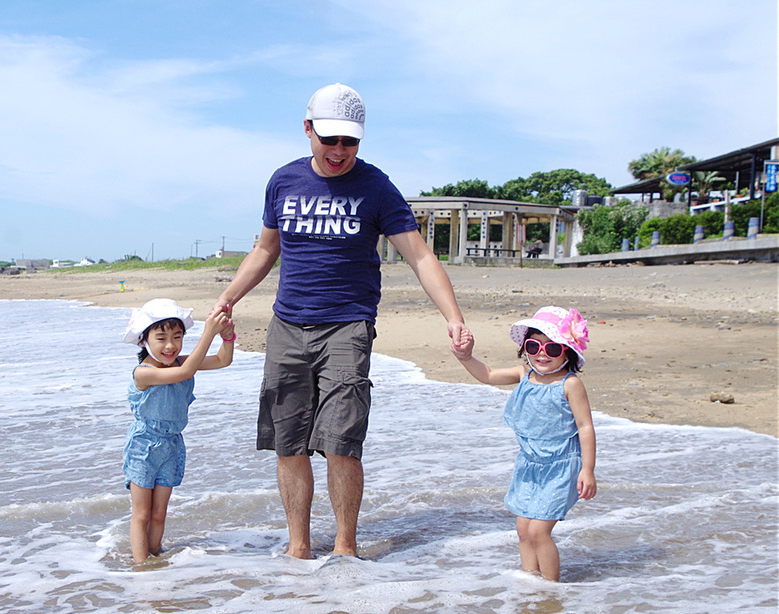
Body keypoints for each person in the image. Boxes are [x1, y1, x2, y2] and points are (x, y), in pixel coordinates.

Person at [212, 82, 466, 559]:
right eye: (329, 139)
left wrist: (453, 316)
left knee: (342, 442)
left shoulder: (375, 187)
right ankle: (298, 548)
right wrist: (228, 297)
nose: (339, 151)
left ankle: (346, 548)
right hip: (287, 324)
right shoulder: (283, 181)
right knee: (289, 443)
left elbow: (419, 255)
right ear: (308, 130)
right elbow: (266, 250)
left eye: (349, 141)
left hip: (348, 326)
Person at [451, 307, 597, 582]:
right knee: (522, 530)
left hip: (562, 465)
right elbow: (488, 374)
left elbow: (585, 427)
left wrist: (587, 470)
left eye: (552, 349)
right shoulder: (522, 374)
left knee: (539, 531)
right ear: (524, 348)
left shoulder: (570, 384)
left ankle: (552, 589)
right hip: (529, 464)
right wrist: (466, 357)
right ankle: (531, 583)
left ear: (567, 352)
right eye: (534, 346)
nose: (542, 354)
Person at [122, 298, 235, 564]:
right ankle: (141, 570)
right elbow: (185, 373)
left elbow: (222, 360)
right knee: (142, 514)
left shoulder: (183, 363)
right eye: (161, 338)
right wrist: (208, 332)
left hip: (171, 446)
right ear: (143, 341)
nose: (170, 345)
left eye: (177, 336)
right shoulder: (143, 373)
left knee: (159, 513)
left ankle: (155, 556)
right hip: (144, 446)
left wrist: (227, 338)